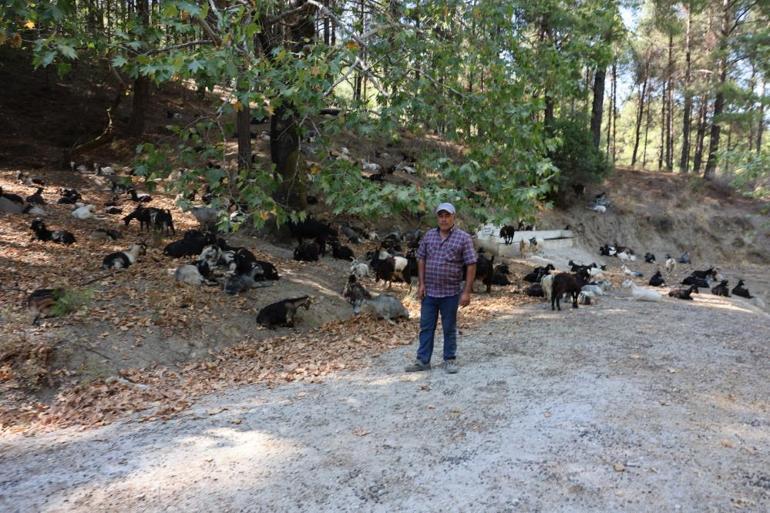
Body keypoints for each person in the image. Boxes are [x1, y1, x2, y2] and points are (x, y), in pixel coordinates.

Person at [405, 202, 476, 374]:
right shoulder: (429, 236)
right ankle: (422, 361)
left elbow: (471, 264)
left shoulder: (463, 238)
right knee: (426, 327)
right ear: (437, 218)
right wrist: (421, 284)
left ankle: (449, 359)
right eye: (440, 216)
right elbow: (421, 259)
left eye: (447, 216)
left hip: (451, 293)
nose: (443, 219)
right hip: (429, 292)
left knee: (449, 327)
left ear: (454, 217)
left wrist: (466, 292)